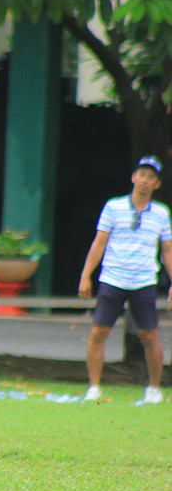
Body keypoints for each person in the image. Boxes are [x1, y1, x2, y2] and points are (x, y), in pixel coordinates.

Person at [78, 155, 172, 405]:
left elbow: (167, 251)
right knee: (98, 332)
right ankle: (94, 387)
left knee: (149, 336)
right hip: (112, 277)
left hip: (143, 281)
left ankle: (153, 388)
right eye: (141, 175)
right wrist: (86, 274)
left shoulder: (162, 214)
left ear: (157, 184)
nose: (144, 180)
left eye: (150, 177)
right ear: (133, 177)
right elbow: (99, 242)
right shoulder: (113, 207)